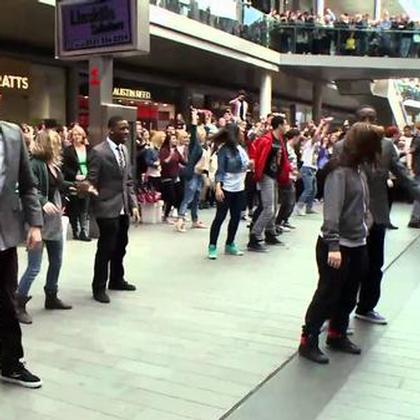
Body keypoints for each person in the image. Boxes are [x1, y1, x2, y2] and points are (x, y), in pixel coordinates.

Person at [299, 123, 382, 364]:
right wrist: (334, 245)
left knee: (349, 294)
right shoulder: (339, 172)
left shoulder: (358, 170)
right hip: (336, 246)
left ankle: (337, 334)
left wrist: (366, 223)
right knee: (327, 294)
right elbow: (332, 213)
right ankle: (308, 340)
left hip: (357, 243)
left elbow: (363, 204)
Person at [335, 105, 420, 325]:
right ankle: (335, 313)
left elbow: (402, 174)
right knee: (345, 267)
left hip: (377, 214)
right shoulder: (342, 146)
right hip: (350, 216)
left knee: (374, 265)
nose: (368, 122)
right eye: (363, 118)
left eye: (371, 118)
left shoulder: (386, 146)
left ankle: (366, 307)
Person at [0, 121, 43, 388]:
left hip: (3, 235)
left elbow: (28, 185)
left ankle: (10, 363)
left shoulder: (12, 134)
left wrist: (35, 224)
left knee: (6, 302)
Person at [16, 130, 73, 325]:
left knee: (57, 261)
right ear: (48, 145)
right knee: (34, 266)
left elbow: (60, 184)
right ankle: (18, 303)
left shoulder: (52, 164)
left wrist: (77, 186)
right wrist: (42, 201)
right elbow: (28, 189)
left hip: (53, 219)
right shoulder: (34, 164)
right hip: (38, 220)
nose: (60, 146)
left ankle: (51, 295)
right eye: (56, 143)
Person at [88, 116, 141, 304]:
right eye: (122, 128)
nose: (126, 132)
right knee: (106, 248)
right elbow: (91, 181)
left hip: (123, 207)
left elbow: (128, 181)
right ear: (110, 130)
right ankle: (99, 287)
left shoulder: (124, 150)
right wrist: (98, 203)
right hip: (106, 208)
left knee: (121, 245)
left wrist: (133, 205)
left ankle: (117, 279)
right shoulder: (98, 152)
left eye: (127, 128)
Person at [208, 124, 250, 260]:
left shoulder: (241, 149)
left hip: (240, 188)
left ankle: (230, 243)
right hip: (226, 188)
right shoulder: (224, 151)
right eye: (240, 132)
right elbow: (220, 171)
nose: (242, 134)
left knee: (236, 217)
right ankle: (212, 246)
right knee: (220, 217)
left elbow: (245, 165)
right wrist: (218, 187)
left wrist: (250, 165)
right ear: (235, 134)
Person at [248, 115, 289, 252]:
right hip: (266, 175)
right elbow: (256, 153)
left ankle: (270, 233)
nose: (286, 126)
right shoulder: (266, 140)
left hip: (274, 175)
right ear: (279, 125)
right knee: (268, 208)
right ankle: (255, 236)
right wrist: (257, 171)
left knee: (274, 207)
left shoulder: (280, 140)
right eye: (285, 124)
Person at [175, 109, 206, 233]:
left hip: (199, 174)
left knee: (196, 199)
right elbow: (193, 130)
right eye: (201, 133)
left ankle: (194, 220)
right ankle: (180, 219)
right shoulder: (195, 145)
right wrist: (194, 118)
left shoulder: (203, 146)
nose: (203, 135)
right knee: (188, 198)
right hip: (193, 174)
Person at [62, 124, 91, 241]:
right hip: (73, 181)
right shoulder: (68, 151)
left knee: (85, 206)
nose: (76, 136)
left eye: (79, 134)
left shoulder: (89, 149)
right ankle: (75, 230)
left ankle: (84, 231)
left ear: (83, 135)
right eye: (74, 134)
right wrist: (75, 175)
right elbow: (64, 167)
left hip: (87, 180)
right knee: (74, 207)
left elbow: (93, 163)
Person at [276, 128, 300, 231]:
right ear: (295, 137)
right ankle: (279, 221)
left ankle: (284, 220)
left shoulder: (291, 148)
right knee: (288, 201)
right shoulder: (286, 148)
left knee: (291, 201)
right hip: (287, 176)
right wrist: (291, 170)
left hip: (292, 176)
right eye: (298, 138)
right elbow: (284, 162)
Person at [159, 132, 185, 223]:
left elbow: (182, 161)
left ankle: (180, 215)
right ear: (169, 140)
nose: (175, 140)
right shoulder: (164, 150)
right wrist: (170, 155)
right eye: (173, 139)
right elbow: (164, 162)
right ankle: (166, 216)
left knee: (180, 195)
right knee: (170, 197)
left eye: (175, 139)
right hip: (167, 177)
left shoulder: (176, 151)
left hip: (176, 176)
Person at [408, 123, 420, 228]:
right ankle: (415, 219)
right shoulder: (418, 139)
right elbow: (412, 150)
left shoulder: (416, 138)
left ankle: (415, 218)